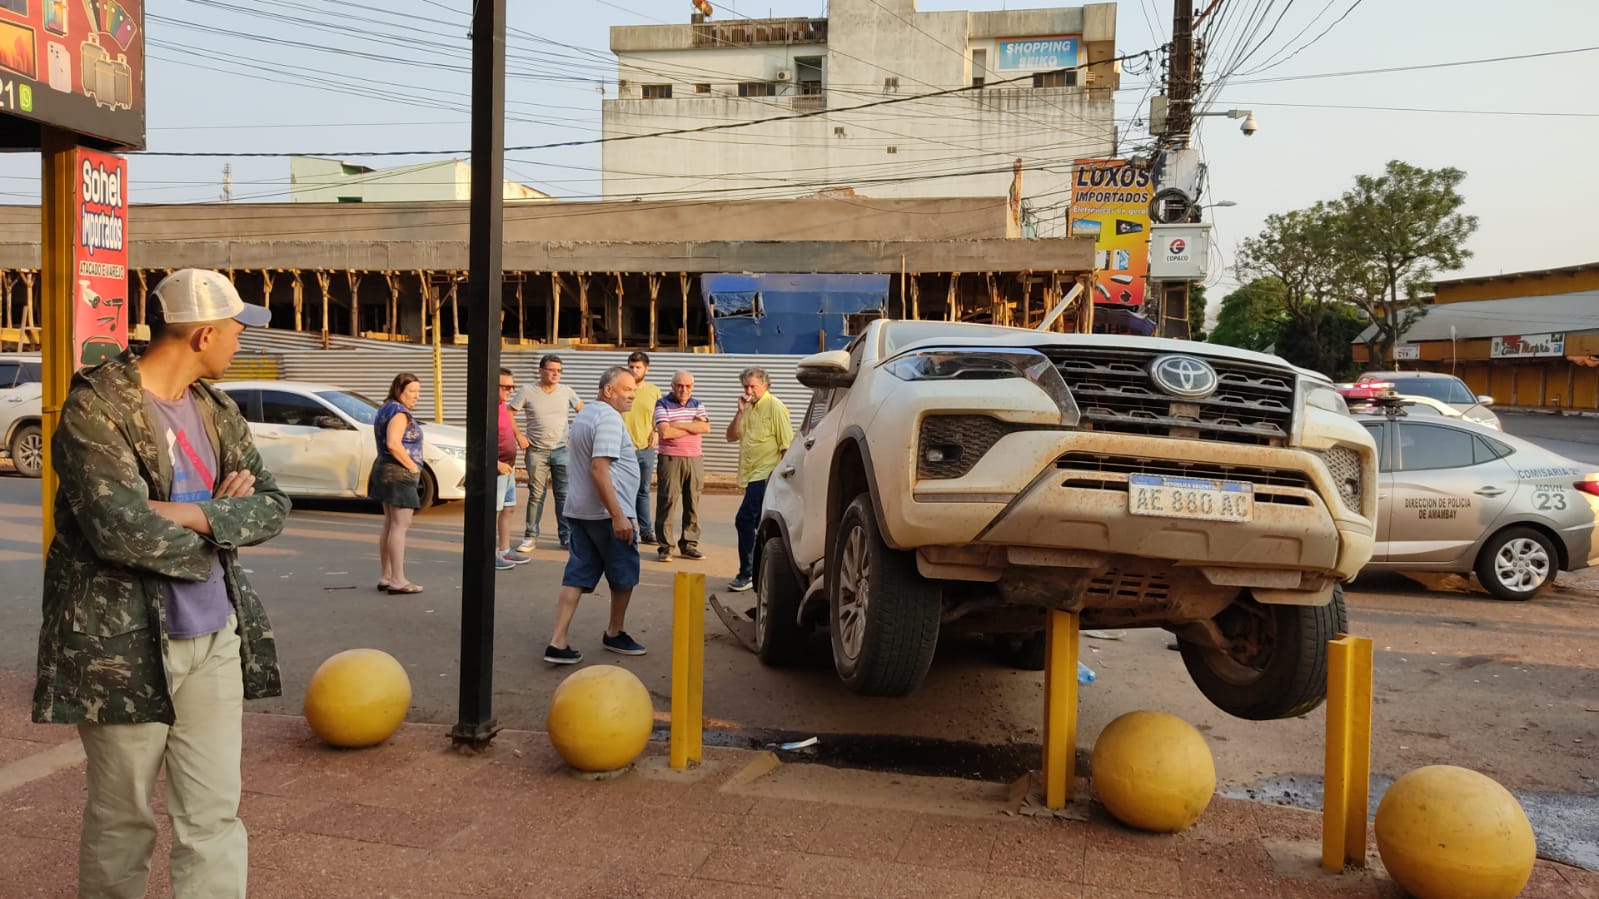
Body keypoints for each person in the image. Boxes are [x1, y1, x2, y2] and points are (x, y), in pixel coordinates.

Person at [34, 268, 289, 897]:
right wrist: (221, 521)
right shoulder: (97, 405)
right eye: (235, 330)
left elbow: (274, 505)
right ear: (202, 334)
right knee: (122, 820)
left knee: (213, 820)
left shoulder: (216, 409)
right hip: (121, 648)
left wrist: (180, 511)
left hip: (214, 636)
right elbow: (116, 529)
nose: (241, 341)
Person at [544, 366, 648, 664]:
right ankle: (615, 632)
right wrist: (618, 515)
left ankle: (558, 641)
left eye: (634, 390)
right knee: (624, 574)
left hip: (581, 511)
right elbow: (599, 467)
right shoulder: (608, 418)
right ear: (608, 390)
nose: (632, 395)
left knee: (576, 574)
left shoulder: (585, 415)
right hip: (607, 513)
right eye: (627, 389)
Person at [725, 367, 793, 592]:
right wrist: (739, 412)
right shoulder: (747, 408)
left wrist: (779, 480)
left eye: (753, 386)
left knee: (743, 520)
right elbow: (731, 436)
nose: (749, 390)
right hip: (749, 474)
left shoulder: (775, 407)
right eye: (745, 386)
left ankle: (746, 574)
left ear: (765, 385)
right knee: (757, 525)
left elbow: (786, 446)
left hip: (765, 475)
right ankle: (761, 575)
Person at [510, 354, 583, 552]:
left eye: (559, 371)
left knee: (564, 495)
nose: (555, 374)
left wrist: (575, 433)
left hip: (562, 451)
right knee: (536, 495)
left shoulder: (566, 391)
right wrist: (519, 436)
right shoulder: (528, 390)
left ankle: (566, 537)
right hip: (536, 451)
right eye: (551, 370)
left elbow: (583, 411)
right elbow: (508, 414)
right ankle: (530, 536)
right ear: (541, 371)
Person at [371, 372, 427, 594]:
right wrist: (412, 466)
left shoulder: (386, 408)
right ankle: (397, 579)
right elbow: (394, 444)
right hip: (398, 473)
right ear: (398, 390)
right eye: (412, 391)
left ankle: (387, 576)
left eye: (418, 392)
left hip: (385, 469)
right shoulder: (400, 413)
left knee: (390, 524)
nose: (416, 396)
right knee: (400, 526)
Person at [652, 370, 710, 562]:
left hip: (694, 458)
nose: (683, 389)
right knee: (667, 501)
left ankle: (689, 545)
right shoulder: (662, 403)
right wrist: (691, 425)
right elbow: (665, 433)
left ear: (692, 387)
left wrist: (678, 424)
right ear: (672, 386)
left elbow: (705, 428)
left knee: (693, 502)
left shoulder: (698, 404)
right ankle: (665, 546)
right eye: (679, 385)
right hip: (670, 458)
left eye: (687, 386)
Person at [621, 350, 662, 545]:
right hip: (622, 448)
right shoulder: (620, 388)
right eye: (631, 366)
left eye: (638, 367)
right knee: (622, 489)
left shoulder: (654, 391)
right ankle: (627, 529)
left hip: (645, 448)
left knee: (643, 491)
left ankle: (646, 531)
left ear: (647, 369)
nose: (634, 370)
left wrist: (656, 433)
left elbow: (659, 415)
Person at [495, 368, 533, 570]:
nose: (511, 390)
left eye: (512, 386)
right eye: (506, 386)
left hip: (508, 468)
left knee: (508, 509)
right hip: (497, 468)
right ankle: (489, 554)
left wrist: (518, 435)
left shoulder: (502, 406)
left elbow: (510, 422)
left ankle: (504, 549)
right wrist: (495, 463)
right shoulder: (487, 407)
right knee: (493, 512)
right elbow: (479, 441)